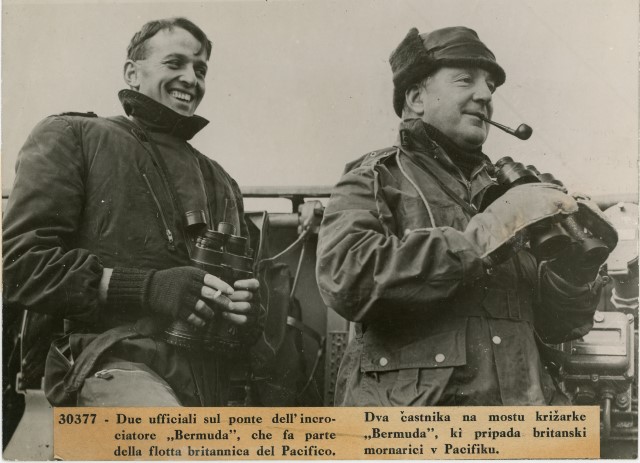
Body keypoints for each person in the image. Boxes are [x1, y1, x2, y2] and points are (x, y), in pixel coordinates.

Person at [316, 26, 604, 406]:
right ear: (416, 98)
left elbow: (557, 327)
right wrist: (494, 229)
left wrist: (575, 271)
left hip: (522, 423)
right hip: (416, 428)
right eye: (465, 80)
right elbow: (346, 278)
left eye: (490, 87)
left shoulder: (509, 192)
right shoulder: (376, 178)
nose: (485, 95)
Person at [3, 17, 260, 407]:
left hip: (208, 382)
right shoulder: (73, 135)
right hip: (107, 361)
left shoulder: (222, 181)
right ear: (132, 73)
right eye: (175, 63)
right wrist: (150, 288)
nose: (191, 79)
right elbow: (20, 266)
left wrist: (247, 311)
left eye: (200, 69)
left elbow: (253, 297)